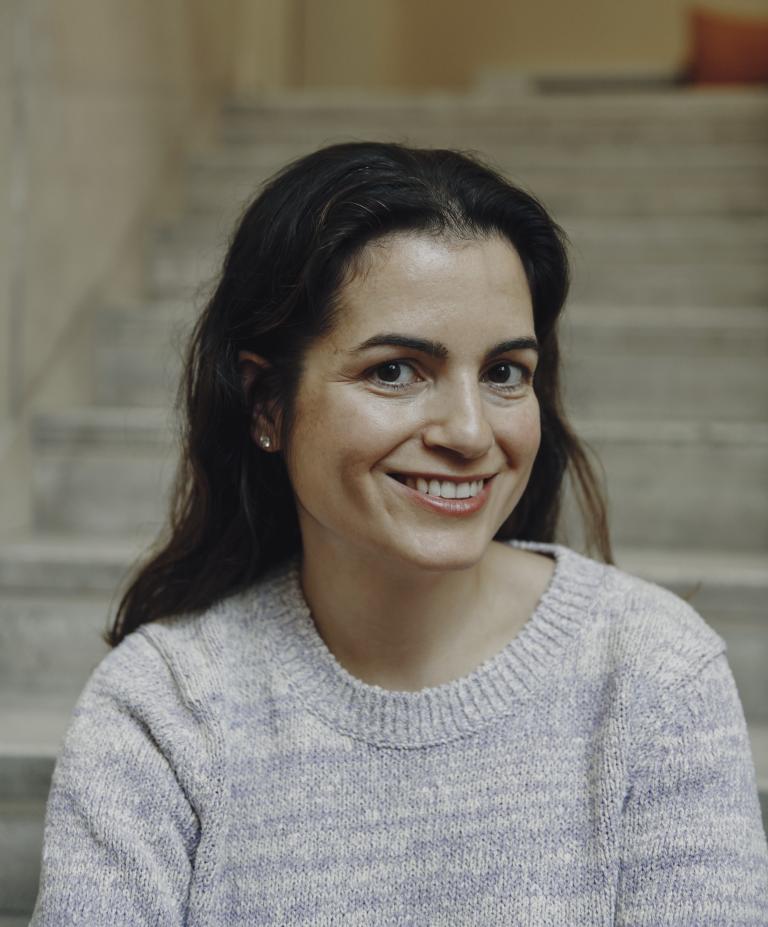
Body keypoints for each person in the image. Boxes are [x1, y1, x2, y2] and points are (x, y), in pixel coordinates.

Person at [31, 141, 767, 925]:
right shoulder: (164, 705)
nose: (470, 431)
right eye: (396, 371)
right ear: (265, 403)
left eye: (504, 372)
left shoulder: (654, 671)